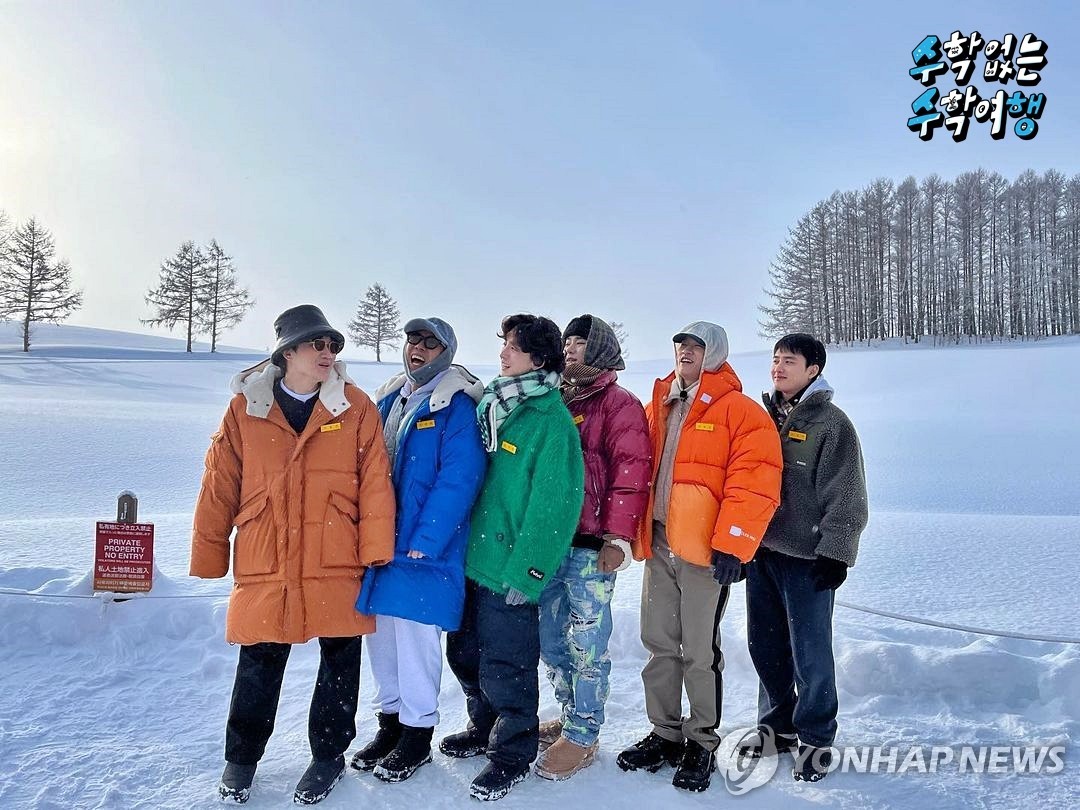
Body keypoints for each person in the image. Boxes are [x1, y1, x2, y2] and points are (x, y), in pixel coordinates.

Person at [190, 304, 395, 805]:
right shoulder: (246, 407)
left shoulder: (355, 406)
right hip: (267, 552)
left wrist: (375, 549)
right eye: (316, 344)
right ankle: (241, 759)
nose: (327, 353)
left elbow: (374, 483)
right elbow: (219, 484)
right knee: (260, 658)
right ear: (288, 352)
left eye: (332, 346)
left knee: (340, 659)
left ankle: (328, 758)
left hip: (335, 550)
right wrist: (211, 551)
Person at [616, 321, 782, 793]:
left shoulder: (741, 412)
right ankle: (664, 732)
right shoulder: (661, 404)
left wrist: (733, 543)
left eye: (696, 346)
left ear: (715, 353)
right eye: (680, 345)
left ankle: (701, 740)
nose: (685, 352)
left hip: (706, 551)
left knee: (698, 649)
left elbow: (754, 480)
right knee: (659, 641)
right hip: (660, 541)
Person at [441, 314, 585, 802]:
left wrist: (530, 571)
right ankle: (483, 729)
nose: (503, 354)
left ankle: (512, 753)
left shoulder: (550, 420)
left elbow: (555, 507)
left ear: (538, 360)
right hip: (473, 560)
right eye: (503, 345)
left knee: (508, 664)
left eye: (514, 348)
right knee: (464, 654)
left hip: (509, 570)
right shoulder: (493, 405)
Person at [352, 317, 486, 783]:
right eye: (413, 340)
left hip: (422, 550)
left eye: (430, 342)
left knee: (415, 641)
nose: (418, 348)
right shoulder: (389, 397)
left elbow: (459, 479)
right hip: (381, 542)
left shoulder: (457, 407)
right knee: (381, 638)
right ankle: (389, 724)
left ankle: (417, 733)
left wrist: (426, 541)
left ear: (446, 352)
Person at [741, 333, 868, 782]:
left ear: (813, 369)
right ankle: (776, 729)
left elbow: (847, 495)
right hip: (762, 555)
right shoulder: (761, 419)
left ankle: (815, 738)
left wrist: (836, 553)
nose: (778, 367)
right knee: (765, 645)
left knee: (809, 652)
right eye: (775, 359)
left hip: (808, 559)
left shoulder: (831, 425)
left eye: (789, 360)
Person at [534, 314, 651, 781]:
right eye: (567, 342)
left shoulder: (620, 403)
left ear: (599, 349)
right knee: (549, 638)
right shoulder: (556, 397)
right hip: (550, 544)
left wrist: (618, 538)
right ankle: (569, 713)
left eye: (579, 343)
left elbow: (632, 472)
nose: (569, 349)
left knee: (587, 642)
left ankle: (585, 732)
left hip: (592, 546)